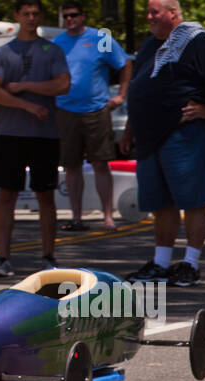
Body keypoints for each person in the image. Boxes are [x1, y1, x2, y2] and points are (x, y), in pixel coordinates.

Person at [121, 0, 205, 286]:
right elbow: (140, 87)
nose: (149, 17)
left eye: (154, 12)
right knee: (161, 203)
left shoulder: (195, 40)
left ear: (172, 13)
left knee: (193, 200)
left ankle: (190, 263)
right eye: (147, 12)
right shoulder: (151, 45)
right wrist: (128, 130)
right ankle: (161, 263)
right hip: (149, 136)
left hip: (182, 134)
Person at [0, 0, 70, 276]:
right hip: (9, 133)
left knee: (45, 196)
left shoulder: (52, 49)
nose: (31, 18)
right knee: (6, 195)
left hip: (44, 134)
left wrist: (24, 86)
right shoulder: (3, 52)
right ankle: (2, 258)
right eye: (26, 14)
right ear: (17, 16)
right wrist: (29, 105)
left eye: (35, 14)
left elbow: (63, 84)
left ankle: (47, 256)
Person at [52, 0, 131, 232]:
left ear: (83, 16)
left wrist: (122, 95)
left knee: (100, 163)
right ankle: (76, 217)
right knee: (71, 166)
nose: (69, 20)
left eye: (74, 15)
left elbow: (125, 63)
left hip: (96, 109)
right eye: (65, 16)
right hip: (65, 110)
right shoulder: (57, 43)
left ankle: (108, 216)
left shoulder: (101, 38)